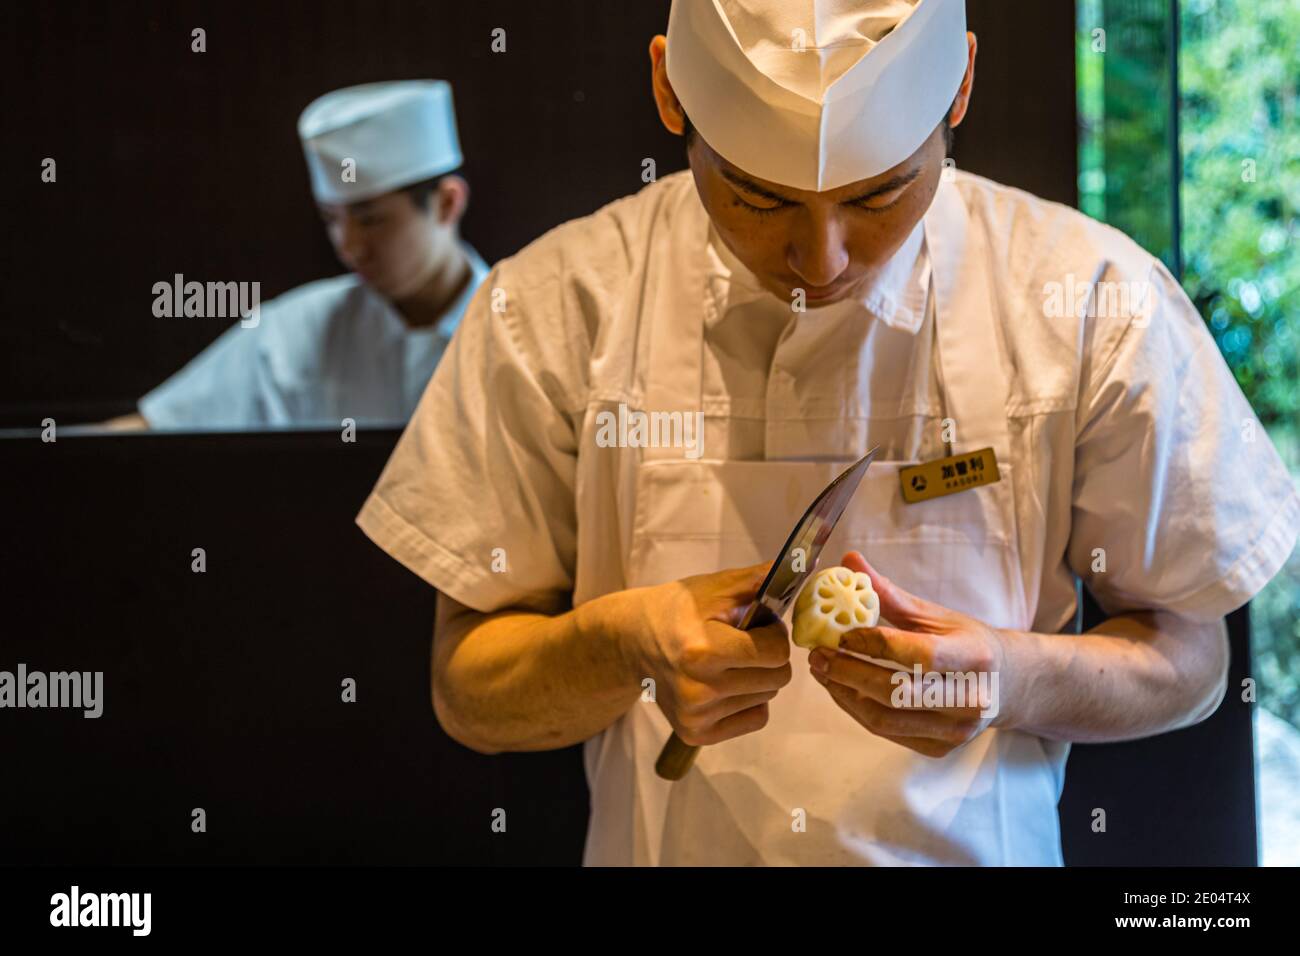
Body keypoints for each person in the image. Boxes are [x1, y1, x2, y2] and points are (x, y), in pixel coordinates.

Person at [354, 0, 1300, 865]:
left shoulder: (1093, 302)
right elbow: (468, 689)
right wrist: (626, 646)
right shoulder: (556, 306)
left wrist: (1012, 678)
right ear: (667, 90)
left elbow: (1193, 662)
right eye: (759, 198)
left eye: (879, 194)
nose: (823, 258)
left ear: (962, 83)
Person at [106, 80, 489, 430]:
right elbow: (150, 432)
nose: (349, 248)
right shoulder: (295, 334)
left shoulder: (520, 327)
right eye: (331, 219)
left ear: (446, 203)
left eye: (371, 220)